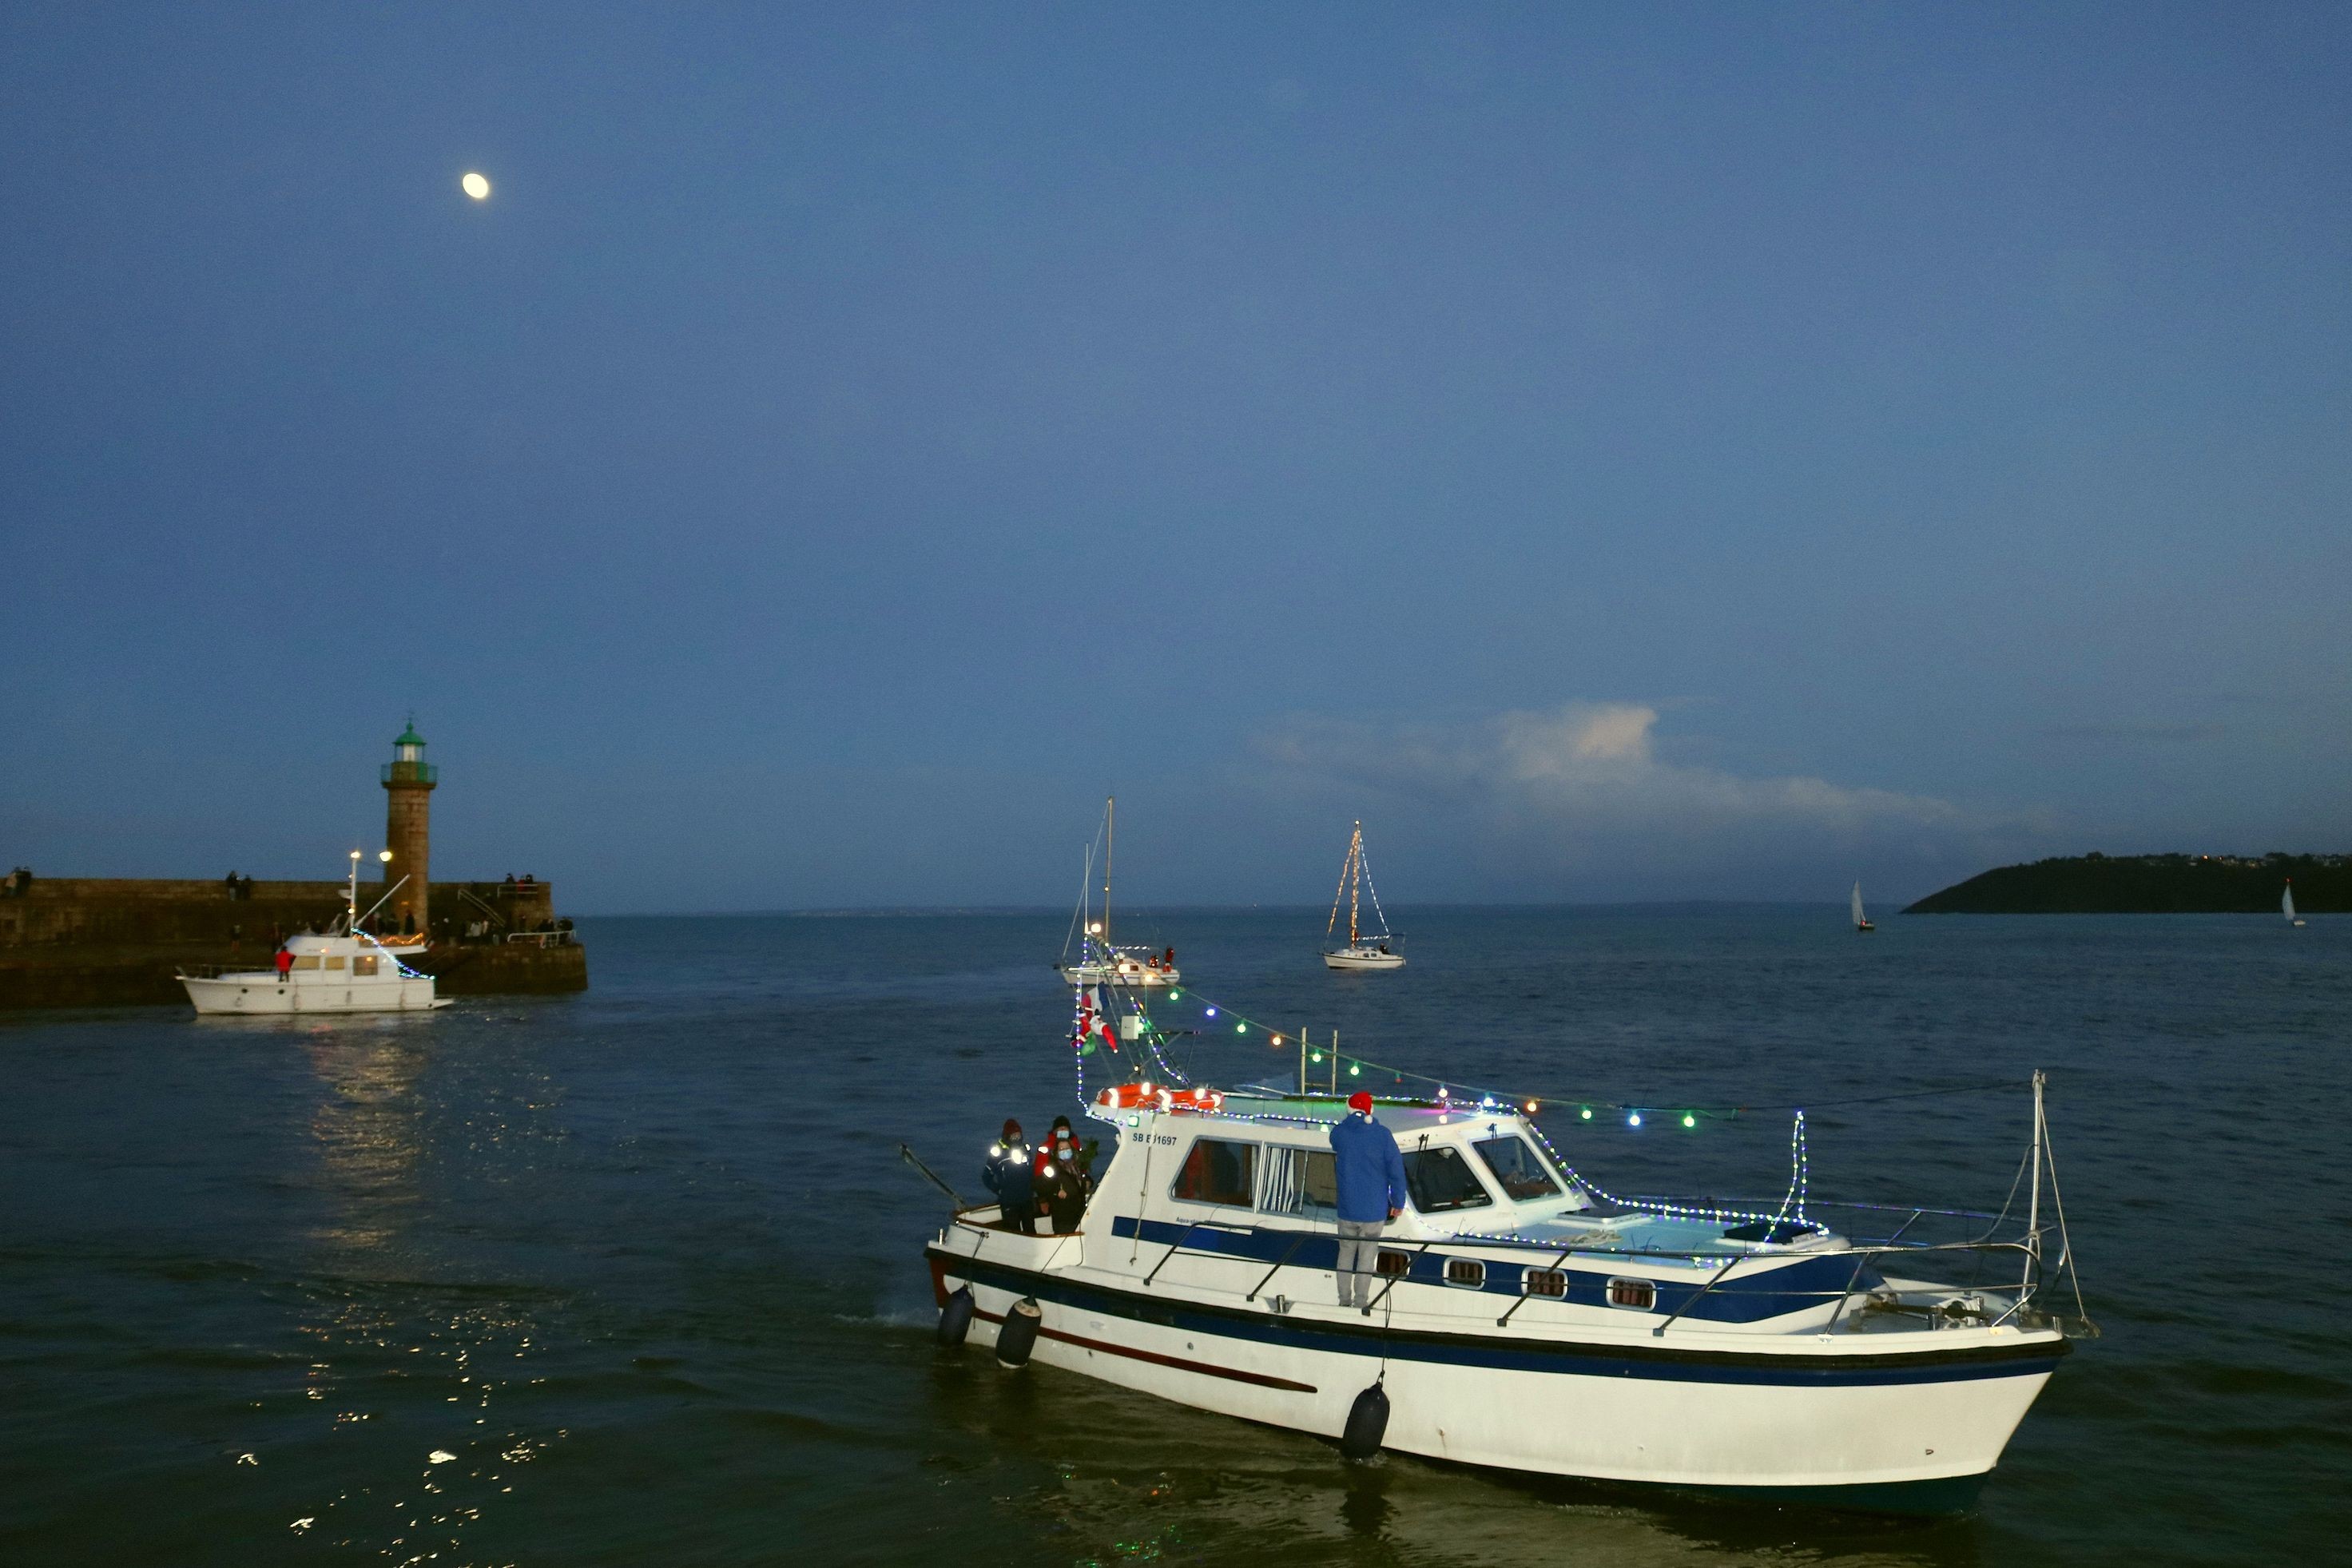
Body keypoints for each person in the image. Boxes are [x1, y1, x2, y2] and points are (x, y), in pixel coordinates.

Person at [1329, 1090, 1407, 1312]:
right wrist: (1398, 1202)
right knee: (1366, 1257)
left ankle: (1344, 1300)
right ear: (1371, 1110)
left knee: (1345, 1253)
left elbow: (1336, 1140)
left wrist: (1352, 1119)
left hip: (1347, 1208)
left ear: (1350, 1109)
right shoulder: (1382, 1135)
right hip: (1373, 1210)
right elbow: (1396, 1172)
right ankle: (1360, 1302)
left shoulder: (1340, 1133)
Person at [1031, 1115, 1099, 1233]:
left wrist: (1087, 1181)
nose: (1063, 1132)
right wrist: (1044, 1200)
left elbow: (1082, 1171)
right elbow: (1040, 1179)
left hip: (1078, 1206)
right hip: (1062, 1207)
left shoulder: (1076, 1149)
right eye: (1060, 1129)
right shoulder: (1047, 1151)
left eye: (1065, 1129)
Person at [981, 1119, 1037, 1231]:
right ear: (1007, 1136)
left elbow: (1031, 1170)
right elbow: (986, 1176)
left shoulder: (1025, 1149)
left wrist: (1032, 1188)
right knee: (1013, 1231)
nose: (1016, 1138)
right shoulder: (998, 1154)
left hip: (1026, 1199)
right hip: (1009, 1201)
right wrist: (999, 1190)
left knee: (1030, 1230)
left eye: (1018, 1135)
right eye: (1013, 1136)